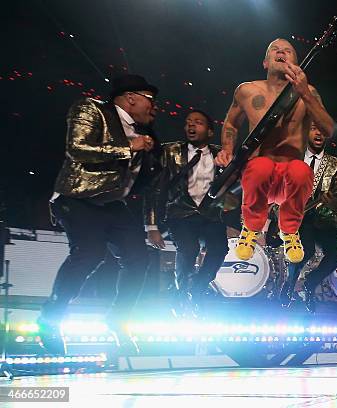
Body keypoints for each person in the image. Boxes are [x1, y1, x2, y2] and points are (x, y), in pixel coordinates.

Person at [39, 74, 159, 355]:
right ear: (131, 98)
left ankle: (118, 320)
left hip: (113, 204)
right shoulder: (91, 110)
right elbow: (77, 149)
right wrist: (129, 147)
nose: (154, 108)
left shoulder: (146, 133)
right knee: (89, 254)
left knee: (140, 260)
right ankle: (50, 319)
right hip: (78, 197)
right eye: (150, 100)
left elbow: (151, 181)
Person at [216, 38, 334, 264]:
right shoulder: (247, 90)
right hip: (258, 178)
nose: (281, 52)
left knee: (301, 170)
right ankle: (251, 228)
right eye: (275, 50)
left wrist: (305, 94)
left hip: (289, 181)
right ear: (265, 62)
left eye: (288, 51)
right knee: (261, 165)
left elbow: (328, 129)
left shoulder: (308, 92)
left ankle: (289, 230)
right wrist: (227, 149)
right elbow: (231, 123)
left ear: (297, 62)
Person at [146, 110, 228, 317]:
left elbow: (234, 186)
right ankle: (181, 293)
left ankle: (198, 288)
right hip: (180, 213)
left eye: (198, 122)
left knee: (220, 249)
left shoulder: (221, 154)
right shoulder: (170, 151)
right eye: (188, 122)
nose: (191, 126)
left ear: (210, 131)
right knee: (189, 249)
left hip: (210, 214)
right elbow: (155, 188)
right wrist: (152, 226)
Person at [279, 123, 337, 313]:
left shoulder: (336, 164)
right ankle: (289, 284)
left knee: (335, 255)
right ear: (305, 132)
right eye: (314, 128)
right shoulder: (293, 159)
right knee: (305, 251)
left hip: (324, 219)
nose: (318, 132)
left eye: (322, 130)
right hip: (300, 219)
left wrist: (331, 202)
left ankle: (311, 282)